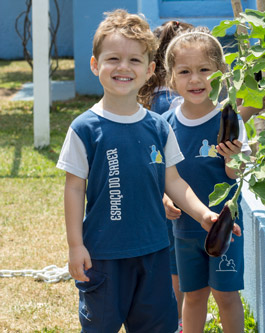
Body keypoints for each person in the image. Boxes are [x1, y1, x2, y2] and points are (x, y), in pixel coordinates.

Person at [56, 10, 239, 332]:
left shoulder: (158, 126)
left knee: (157, 325)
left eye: (134, 60)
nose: (123, 67)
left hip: (155, 251)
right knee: (101, 325)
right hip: (103, 254)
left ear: (150, 70)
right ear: (95, 65)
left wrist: (202, 215)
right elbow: (74, 188)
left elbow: (174, 181)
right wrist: (75, 245)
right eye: (113, 58)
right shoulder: (84, 128)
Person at [161, 27, 252, 333]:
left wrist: (232, 158)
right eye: (185, 71)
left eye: (204, 70)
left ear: (220, 73)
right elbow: (159, 175)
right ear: (171, 77)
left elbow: (236, 177)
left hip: (225, 226)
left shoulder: (230, 120)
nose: (195, 79)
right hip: (184, 228)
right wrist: (163, 197)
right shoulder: (164, 125)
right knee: (193, 295)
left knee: (226, 296)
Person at [138, 19, 194, 331]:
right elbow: (153, 152)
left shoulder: (154, 95)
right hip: (174, 194)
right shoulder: (167, 102)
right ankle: (177, 320)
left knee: (176, 261)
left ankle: (181, 316)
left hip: (174, 192)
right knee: (176, 264)